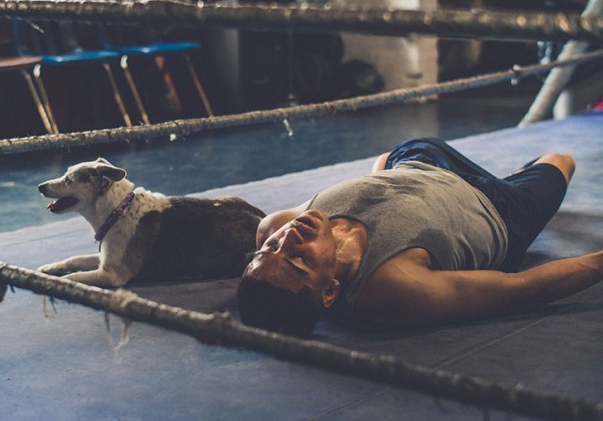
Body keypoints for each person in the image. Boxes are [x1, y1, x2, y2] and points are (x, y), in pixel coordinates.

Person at [237, 137, 603, 337]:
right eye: (299, 261)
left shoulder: (276, 226)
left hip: (420, 161)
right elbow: (525, 289)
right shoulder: (393, 286)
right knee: (560, 160)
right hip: (500, 208)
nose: (289, 239)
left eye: (271, 248)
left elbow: (273, 262)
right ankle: (519, 176)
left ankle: (385, 170)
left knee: (387, 155)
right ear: (330, 290)